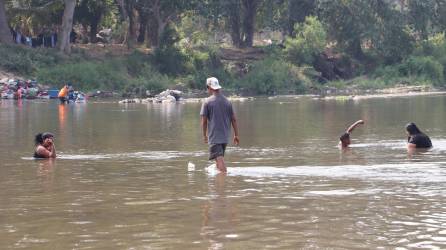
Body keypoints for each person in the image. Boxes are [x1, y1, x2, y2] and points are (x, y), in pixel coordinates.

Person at [200, 77, 240, 173]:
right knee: (218, 160)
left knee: (220, 161)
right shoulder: (228, 102)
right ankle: (219, 185)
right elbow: (233, 119)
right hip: (225, 138)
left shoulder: (207, 102)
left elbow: (204, 121)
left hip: (214, 138)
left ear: (209, 87)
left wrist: (204, 135)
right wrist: (236, 135)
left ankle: (224, 179)